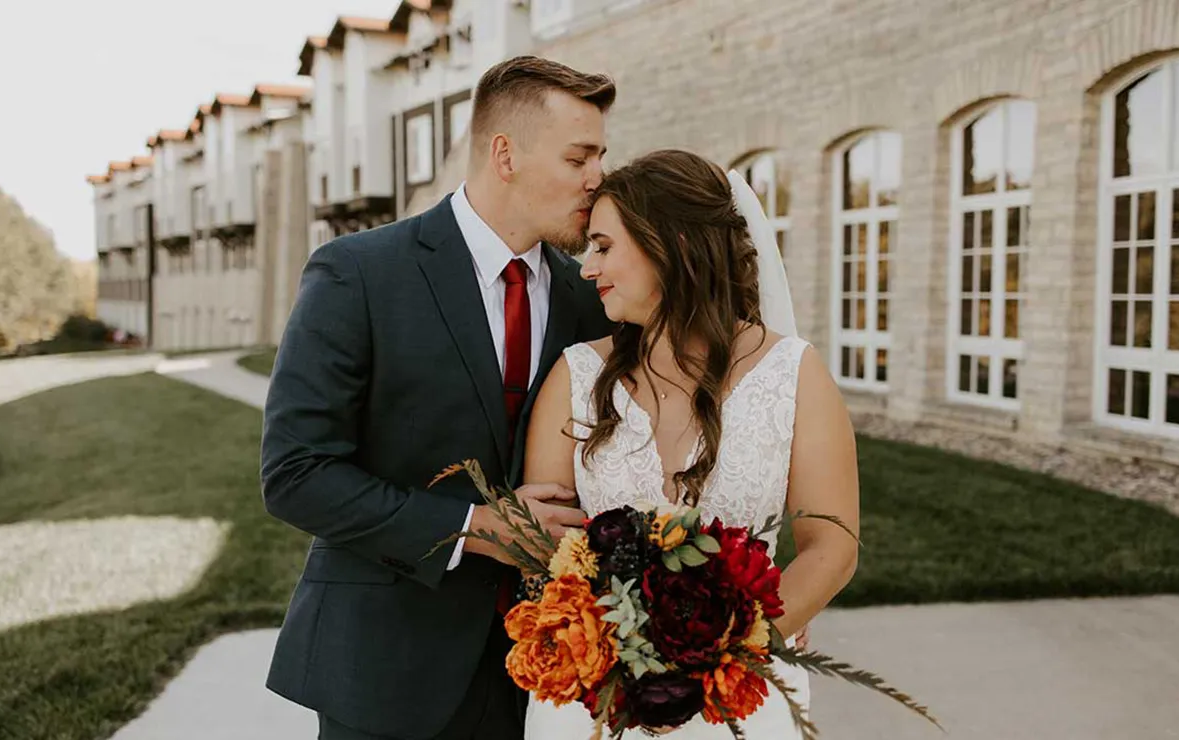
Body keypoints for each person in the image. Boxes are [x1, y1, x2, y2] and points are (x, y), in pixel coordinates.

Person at [259, 56, 615, 739]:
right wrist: (476, 529)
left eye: (601, 155)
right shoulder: (357, 274)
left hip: (549, 679)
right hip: (388, 670)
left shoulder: (590, 298)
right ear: (504, 154)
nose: (598, 177)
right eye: (580, 157)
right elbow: (295, 475)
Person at [521, 149, 861, 738]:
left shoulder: (794, 375)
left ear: (669, 245)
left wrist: (734, 643)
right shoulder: (574, 377)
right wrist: (620, 651)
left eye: (604, 246)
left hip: (740, 700)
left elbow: (831, 546)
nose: (587, 269)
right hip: (599, 706)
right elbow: (541, 554)